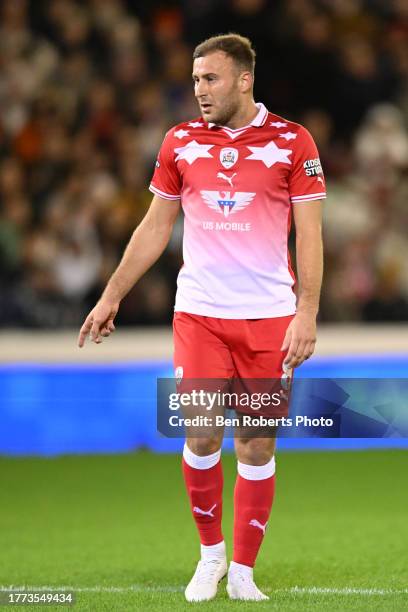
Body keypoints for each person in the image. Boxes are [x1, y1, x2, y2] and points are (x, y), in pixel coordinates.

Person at [78, 33, 325, 602]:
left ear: (244, 78)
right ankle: (210, 554)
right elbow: (154, 226)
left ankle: (243, 568)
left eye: (210, 79)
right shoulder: (181, 142)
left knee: (257, 445)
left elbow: (310, 233)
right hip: (200, 314)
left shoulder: (293, 141)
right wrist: (111, 294)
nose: (199, 91)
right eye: (194, 80)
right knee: (201, 429)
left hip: (268, 318)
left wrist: (307, 313)